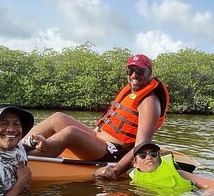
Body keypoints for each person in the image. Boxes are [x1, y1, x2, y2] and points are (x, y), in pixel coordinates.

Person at [23, 53, 169, 180]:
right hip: (99, 141)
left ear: (149, 73)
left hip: (114, 152)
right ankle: (20, 145)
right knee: (58, 118)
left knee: (71, 133)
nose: (133, 76)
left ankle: (20, 159)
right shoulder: (132, 91)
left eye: (139, 71)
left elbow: (141, 145)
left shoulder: (149, 102)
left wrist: (115, 171)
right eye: (130, 71)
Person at [128, 142, 214, 196]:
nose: (149, 157)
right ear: (135, 164)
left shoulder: (178, 173)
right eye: (143, 156)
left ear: (159, 159)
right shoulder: (134, 181)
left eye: (153, 154)